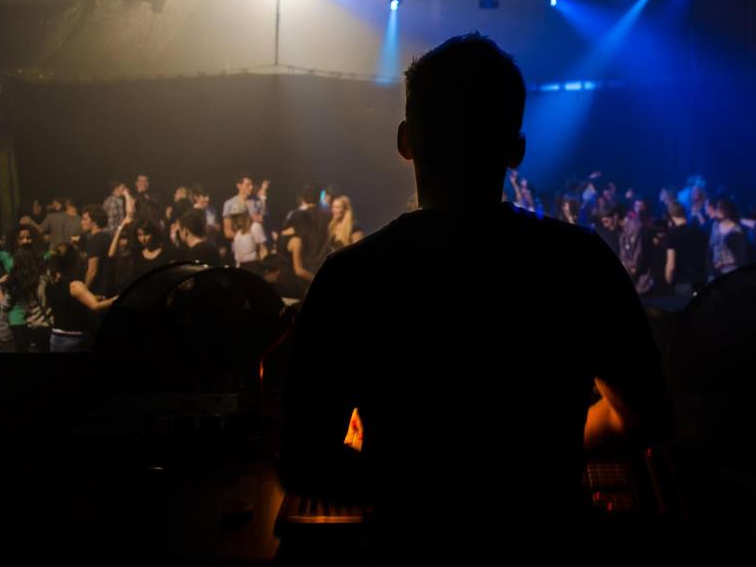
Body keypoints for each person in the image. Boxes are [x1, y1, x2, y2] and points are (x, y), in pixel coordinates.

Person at [280, 34, 673, 562]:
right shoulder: (582, 265)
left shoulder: (350, 278)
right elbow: (646, 417)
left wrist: (417, 483)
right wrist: (530, 459)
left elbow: (303, 461)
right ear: (516, 149)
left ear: (406, 141)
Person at [46, 243, 116, 352]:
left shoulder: (51, 283)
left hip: (56, 337)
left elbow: (66, 301)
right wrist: (116, 299)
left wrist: (96, 297)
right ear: (73, 261)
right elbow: (95, 306)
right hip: (75, 339)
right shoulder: (75, 285)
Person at [0, 246, 52, 352]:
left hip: (25, 323)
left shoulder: (16, 283)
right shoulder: (44, 278)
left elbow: (4, 306)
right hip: (45, 324)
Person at [109, 216, 176, 286]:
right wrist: (121, 227)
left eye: (146, 234)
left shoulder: (166, 253)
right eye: (140, 235)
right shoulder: (137, 252)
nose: (143, 239)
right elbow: (111, 254)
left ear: (153, 233)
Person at [664, 202, 707, 297]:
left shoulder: (672, 235)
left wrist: (668, 279)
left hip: (683, 283)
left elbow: (671, 265)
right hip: (700, 280)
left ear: (671, 215)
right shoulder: (698, 231)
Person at [80, 205, 114, 298]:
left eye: (84, 219)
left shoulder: (95, 240)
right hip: (109, 289)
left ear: (94, 222)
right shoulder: (107, 237)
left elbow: (92, 271)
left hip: (97, 291)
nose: (81, 222)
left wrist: (83, 292)